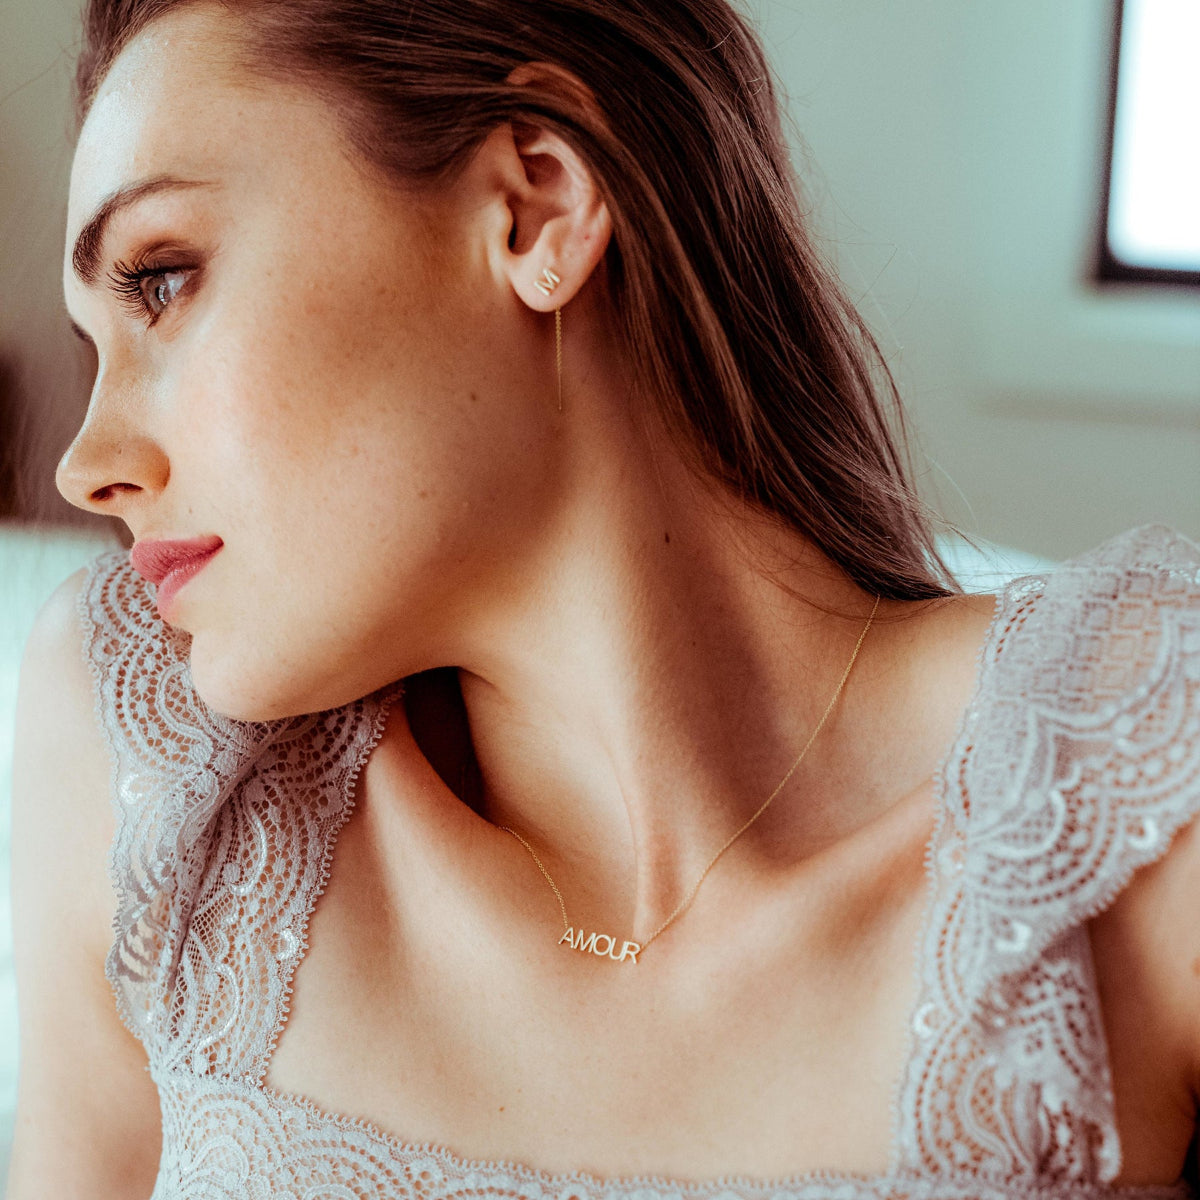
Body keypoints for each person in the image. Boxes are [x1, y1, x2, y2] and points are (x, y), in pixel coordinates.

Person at [6, 0, 1199, 1195]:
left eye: (161, 280)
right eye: (93, 343)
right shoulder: (144, 764)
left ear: (536, 207)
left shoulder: (1145, 784)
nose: (86, 464)